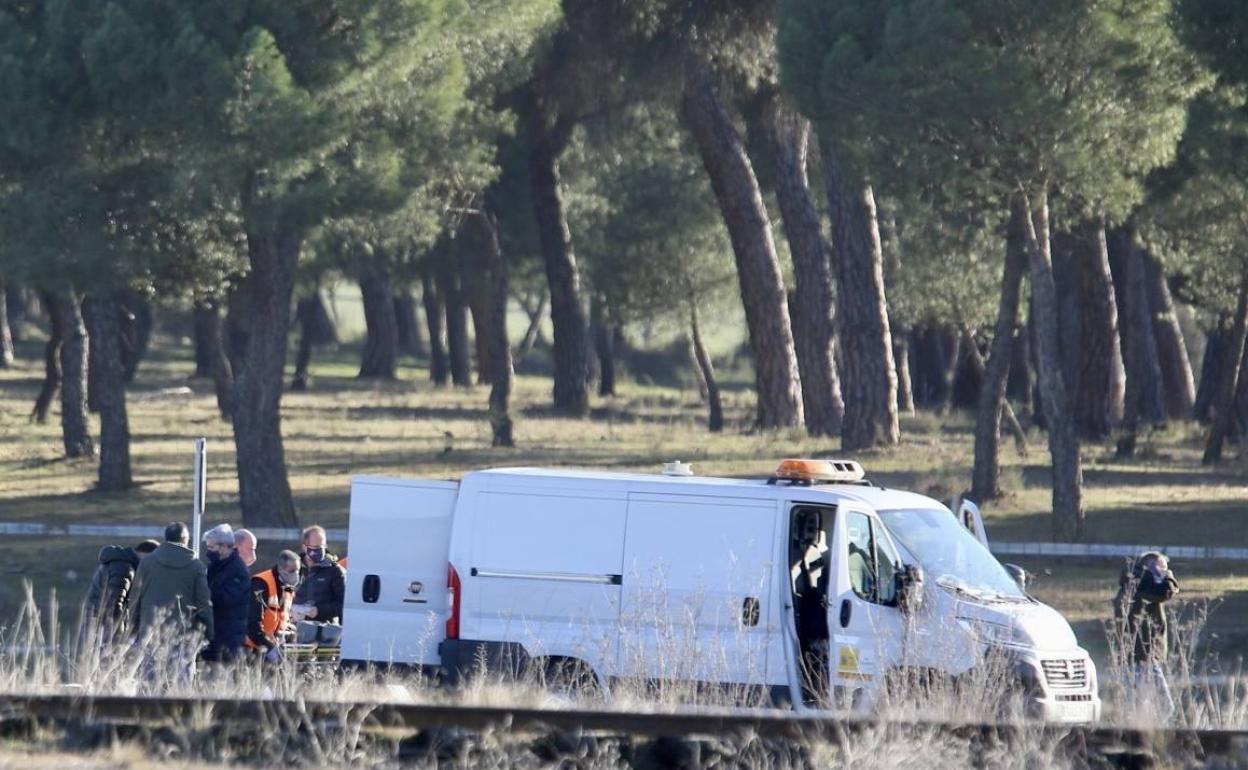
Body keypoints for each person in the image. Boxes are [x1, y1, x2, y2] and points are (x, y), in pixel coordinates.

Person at [128, 522, 213, 688]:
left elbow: (135, 598)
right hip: (183, 639)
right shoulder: (196, 568)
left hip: (150, 636)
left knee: (149, 690)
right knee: (180, 694)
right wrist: (208, 633)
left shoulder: (147, 564)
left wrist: (134, 628)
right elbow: (204, 603)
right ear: (184, 540)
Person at [1114, 551, 1180, 721]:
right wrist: (1167, 575)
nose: (1164, 573)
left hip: (1137, 656)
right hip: (1143, 656)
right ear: (1150, 568)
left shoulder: (1135, 583)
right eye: (1162, 569)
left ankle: (1139, 736)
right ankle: (1151, 738)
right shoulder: (1141, 585)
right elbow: (1167, 591)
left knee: (1136, 706)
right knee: (1165, 707)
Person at [202, 523, 251, 663]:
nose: (208, 551)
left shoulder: (237, 570)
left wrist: (202, 593)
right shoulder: (215, 567)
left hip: (228, 638)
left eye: (212, 547)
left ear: (224, 547)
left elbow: (226, 598)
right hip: (214, 635)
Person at [85, 539, 159, 626]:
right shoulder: (124, 569)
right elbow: (113, 605)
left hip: (95, 620)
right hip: (102, 624)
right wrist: (118, 632)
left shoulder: (121, 564)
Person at [246, 550, 301, 661]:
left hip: (275, 646)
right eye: (292, 571)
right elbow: (253, 623)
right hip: (254, 648)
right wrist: (269, 647)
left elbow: (284, 616)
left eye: (298, 571)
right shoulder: (260, 583)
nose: (296, 575)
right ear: (281, 569)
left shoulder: (288, 587)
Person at [293, 525, 345, 623]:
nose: (320, 550)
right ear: (305, 547)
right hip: (295, 629)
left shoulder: (334, 571)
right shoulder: (294, 568)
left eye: (323, 546)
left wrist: (319, 611)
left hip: (326, 630)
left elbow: (342, 605)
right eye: (316, 547)